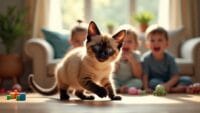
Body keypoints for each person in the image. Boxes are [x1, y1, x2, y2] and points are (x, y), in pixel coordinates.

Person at [142, 25, 192, 93]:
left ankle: (170, 89)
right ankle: (175, 89)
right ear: (147, 44)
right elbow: (145, 76)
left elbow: (175, 76)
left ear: (167, 44)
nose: (156, 43)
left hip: (170, 81)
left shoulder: (170, 58)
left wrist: (167, 85)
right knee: (152, 82)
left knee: (187, 79)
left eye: (160, 40)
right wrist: (146, 88)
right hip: (157, 82)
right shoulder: (146, 58)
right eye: (152, 40)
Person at [113, 26, 143, 94]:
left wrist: (132, 61)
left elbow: (138, 75)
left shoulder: (136, 56)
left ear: (136, 44)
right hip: (117, 80)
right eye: (122, 41)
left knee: (139, 82)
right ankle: (117, 88)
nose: (125, 44)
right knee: (110, 80)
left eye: (129, 41)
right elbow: (113, 72)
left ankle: (123, 88)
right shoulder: (115, 55)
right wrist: (117, 62)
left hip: (129, 81)